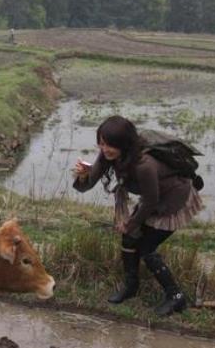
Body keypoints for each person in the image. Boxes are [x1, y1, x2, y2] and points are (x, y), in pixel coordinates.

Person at [72, 115, 202, 316]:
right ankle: (131, 287)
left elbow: (150, 201)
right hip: (154, 197)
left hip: (172, 198)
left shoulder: (144, 165)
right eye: (101, 143)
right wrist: (81, 176)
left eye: (109, 145)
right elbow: (87, 185)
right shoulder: (108, 155)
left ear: (124, 144)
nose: (104, 149)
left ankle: (176, 296)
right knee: (129, 239)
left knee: (146, 248)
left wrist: (131, 223)